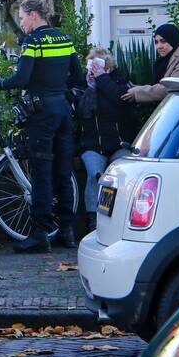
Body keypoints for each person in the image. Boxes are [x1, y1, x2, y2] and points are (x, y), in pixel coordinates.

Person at [0, 0, 82, 253]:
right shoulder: (65, 39)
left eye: (23, 17)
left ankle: (39, 234)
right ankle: (67, 231)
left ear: (34, 15)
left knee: (41, 172)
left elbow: (22, 78)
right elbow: (78, 77)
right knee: (62, 169)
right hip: (62, 111)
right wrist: (63, 95)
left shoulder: (33, 41)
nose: (22, 22)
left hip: (41, 113)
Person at [78, 48, 138, 232]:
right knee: (94, 174)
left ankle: (121, 217)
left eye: (98, 66)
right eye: (91, 66)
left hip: (118, 144)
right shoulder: (85, 87)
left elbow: (119, 99)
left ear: (108, 68)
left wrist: (102, 79)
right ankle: (93, 222)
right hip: (93, 146)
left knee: (123, 172)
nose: (92, 70)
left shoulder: (120, 84)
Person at [122, 24, 179, 105]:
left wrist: (138, 92)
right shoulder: (167, 58)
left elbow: (174, 87)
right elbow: (160, 85)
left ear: (173, 39)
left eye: (163, 41)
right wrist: (138, 88)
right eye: (156, 42)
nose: (158, 46)